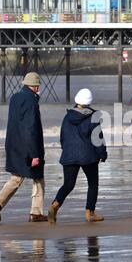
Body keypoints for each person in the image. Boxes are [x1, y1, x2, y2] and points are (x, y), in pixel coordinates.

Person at [0, 72, 48, 223]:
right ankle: (36, 212)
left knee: (17, 177)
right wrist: (34, 154)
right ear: (35, 86)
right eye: (38, 85)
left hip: (13, 144)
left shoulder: (15, 98)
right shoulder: (31, 101)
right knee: (38, 178)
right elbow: (30, 128)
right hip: (28, 146)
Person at [48, 88, 107, 223]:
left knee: (68, 184)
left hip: (69, 155)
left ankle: (55, 205)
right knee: (93, 184)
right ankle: (90, 213)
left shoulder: (67, 117)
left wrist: (67, 150)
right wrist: (102, 154)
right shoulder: (93, 117)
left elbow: (62, 137)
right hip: (88, 156)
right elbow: (98, 139)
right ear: (89, 102)